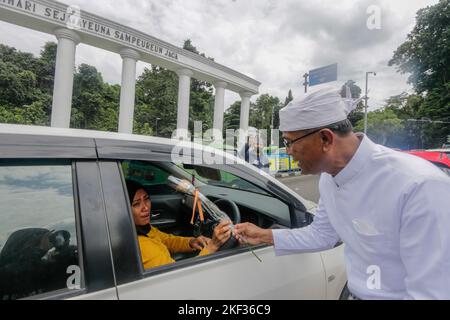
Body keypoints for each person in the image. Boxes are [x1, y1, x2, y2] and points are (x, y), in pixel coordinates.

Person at [233, 86, 450, 300]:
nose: (288, 151)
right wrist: (262, 234)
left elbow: (432, 292)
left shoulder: (418, 185)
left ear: (325, 139)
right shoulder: (329, 178)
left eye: (290, 142)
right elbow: (322, 234)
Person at [126, 179, 231, 270]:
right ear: (124, 209)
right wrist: (212, 247)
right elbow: (179, 278)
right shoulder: (143, 246)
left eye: (146, 199)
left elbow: (167, 240)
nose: (146, 207)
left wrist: (191, 242)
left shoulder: (142, 229)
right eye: (136, 204)